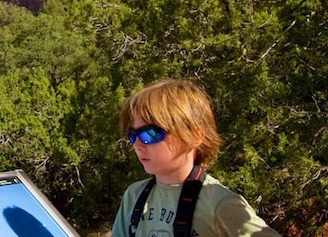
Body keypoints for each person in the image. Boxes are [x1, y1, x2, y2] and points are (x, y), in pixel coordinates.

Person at [110, 79, 279, 237]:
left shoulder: (220, 205)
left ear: (194, 136)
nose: (137, 145)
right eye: (132, 135)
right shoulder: (134, 196)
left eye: (151, 133)